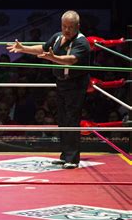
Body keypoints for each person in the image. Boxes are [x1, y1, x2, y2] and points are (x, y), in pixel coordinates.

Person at [7, 10, 91, 169]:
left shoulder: (82, 42)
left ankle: (72, 159)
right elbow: (44, 48)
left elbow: (71, 60)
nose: (67, 30)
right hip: (61, 83)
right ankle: (65, 155)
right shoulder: (58, 37)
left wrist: (53, 58)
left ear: (78, 26)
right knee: (62, 119)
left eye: (70, 27)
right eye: (64, 26)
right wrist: (23, 48)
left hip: (75, 85)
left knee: (72, 119)